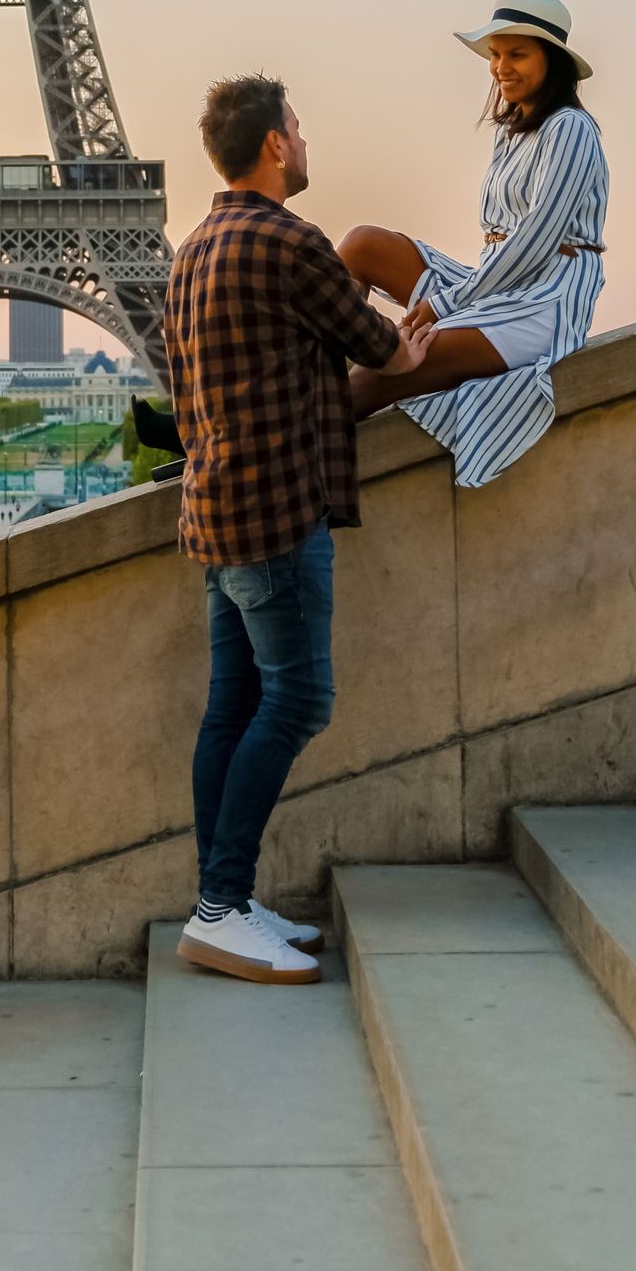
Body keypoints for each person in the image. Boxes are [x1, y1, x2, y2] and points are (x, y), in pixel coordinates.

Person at [162, 74, 423, 985]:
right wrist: (418, 339)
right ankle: (221, 909)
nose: (305, 145)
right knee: (299, 702)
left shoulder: (193, 250)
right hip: (277, 514)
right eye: (299, 131)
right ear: (275, 144)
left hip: (212, 513)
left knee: (231, 708)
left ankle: (221, 900)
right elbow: (382, 347)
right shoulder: (287, 241)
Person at [341, 0, 608, 487]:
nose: (501, 67)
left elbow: (534, 242)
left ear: (553, 61)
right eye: (496, 54)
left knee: (394, 366)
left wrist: (447, 304)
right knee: (362, 244)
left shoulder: (571, 129)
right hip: (495, 283)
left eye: (517, 54)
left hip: (543, 300)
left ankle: (249, 432)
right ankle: (297, 379)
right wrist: (457, 297)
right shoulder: (511, 133)